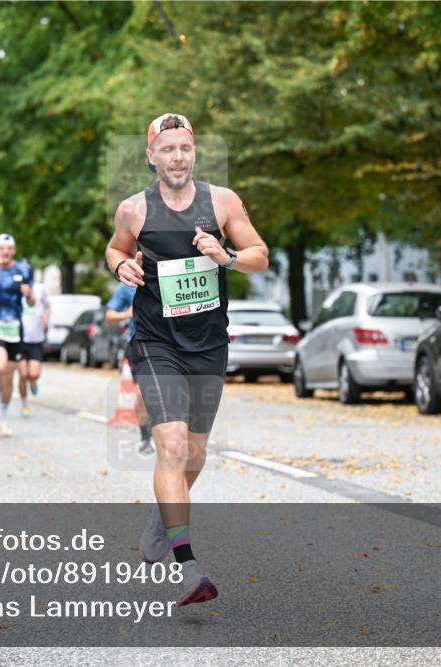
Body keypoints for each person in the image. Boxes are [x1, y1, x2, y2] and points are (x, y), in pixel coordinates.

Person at [105, 113, 269, 606]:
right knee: (172, 445)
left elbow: (259, 252)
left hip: (209, 342)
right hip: (156, 341)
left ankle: (162, 518)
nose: (178, 157)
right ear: (151, 155)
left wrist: (227, 257)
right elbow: (113, 249)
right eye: (168, 149)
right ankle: (188, 566)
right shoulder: (134, 209)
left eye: (185, 148)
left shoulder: (222, 202)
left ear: (194, 152)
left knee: (194, 452)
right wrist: (122, 265)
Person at [0, 234, 34, 437]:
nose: (4, 252)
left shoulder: (23, 270)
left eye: (8, 248)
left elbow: (31, 301)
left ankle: (2, 417)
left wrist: (29, 294)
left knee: (9, 374)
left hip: (14, 325)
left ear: (14, 250)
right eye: (0, 248)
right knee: (0, 366)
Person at [104, 282, 153, 453]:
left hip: (170, 344)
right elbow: (109, 315)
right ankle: (146, 437)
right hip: (138, 344)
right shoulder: (127, 286)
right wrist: (128, 313)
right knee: (143, 394)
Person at [17, 278, 49, 416]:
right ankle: (25, 405)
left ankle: (33, 382)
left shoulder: (40, 288)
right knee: (22, 375)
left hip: (36, 338)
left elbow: (48, 306)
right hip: (19, 339)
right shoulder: (15, 291)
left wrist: (46, 317)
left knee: (34, 374)